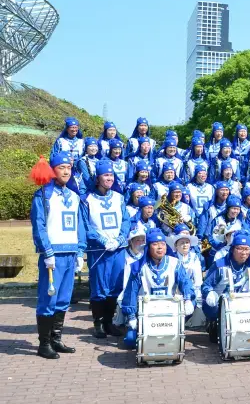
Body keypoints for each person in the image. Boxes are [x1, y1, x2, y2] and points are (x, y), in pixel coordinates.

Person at [30, 152, 87, 359]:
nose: (66, 171)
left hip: (70, 254)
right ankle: (43, 344)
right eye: (62, 167)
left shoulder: (74, 196)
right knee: (48, 298)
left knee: (63, 299)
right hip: (52, 256)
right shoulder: (43, 195)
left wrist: (80, 250)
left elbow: (80, 225)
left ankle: (56, 339)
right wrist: (47, 251)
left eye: (69, 168)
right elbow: (39, 225)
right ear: (52, 169)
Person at [120, 230, 196, 349]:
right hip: (146, 312)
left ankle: (176, 327)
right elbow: (131, 292)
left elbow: (186, 283)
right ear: (148, 247)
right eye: (155, 244)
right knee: (130, 341)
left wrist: (188, 299)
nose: (160, 247)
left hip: (170, 309)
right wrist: (131, 317)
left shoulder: (175, 263)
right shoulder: (138, 267)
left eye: (163, 244)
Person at [81, 160, 131, 339]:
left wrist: (120, 238)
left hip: (118, 248)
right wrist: (101, 239)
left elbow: (126, 220)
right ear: (98, 178)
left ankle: (109, 322)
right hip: (99, 250)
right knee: (99, 286)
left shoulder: (119, 197)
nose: (109, 178)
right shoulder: (88, 199)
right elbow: (85, 225)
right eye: (105, 175)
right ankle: (98, 323)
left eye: (111, 175)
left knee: (115, 286)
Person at [202, 233, 250, 343]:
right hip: (221, 304)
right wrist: (210, 293)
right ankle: (214, 323)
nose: (244, 253)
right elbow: (206, 285)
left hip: (241, 302)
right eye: (240, 249)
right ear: (232, 249)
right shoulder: (220, 265)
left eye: (247, 249)